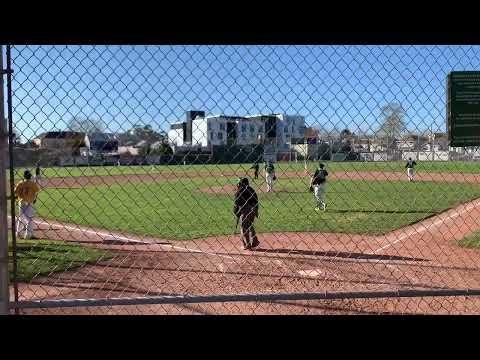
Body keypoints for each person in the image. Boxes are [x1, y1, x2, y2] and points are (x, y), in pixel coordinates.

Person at [233, 177, 259, 250]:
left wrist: (237, 214)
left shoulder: (239, 192)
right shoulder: (251, 189)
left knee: (243, 227)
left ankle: (247, 244)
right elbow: (256, 201)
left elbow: (236, 205)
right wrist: (256, 212)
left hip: (245, 211)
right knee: (249, 225)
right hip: (253, 210)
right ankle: (255, 241)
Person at [14, 169, 41, 240]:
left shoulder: (20, 183)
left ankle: (18, 233)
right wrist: (35, 198)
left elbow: (15, 192)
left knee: (21, 218)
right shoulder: (32, 184)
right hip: (29, 203)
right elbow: (37, 190)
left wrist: (17, 199)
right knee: (29, 219)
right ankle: (28, 235)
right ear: (30, 176)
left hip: (21, 202)